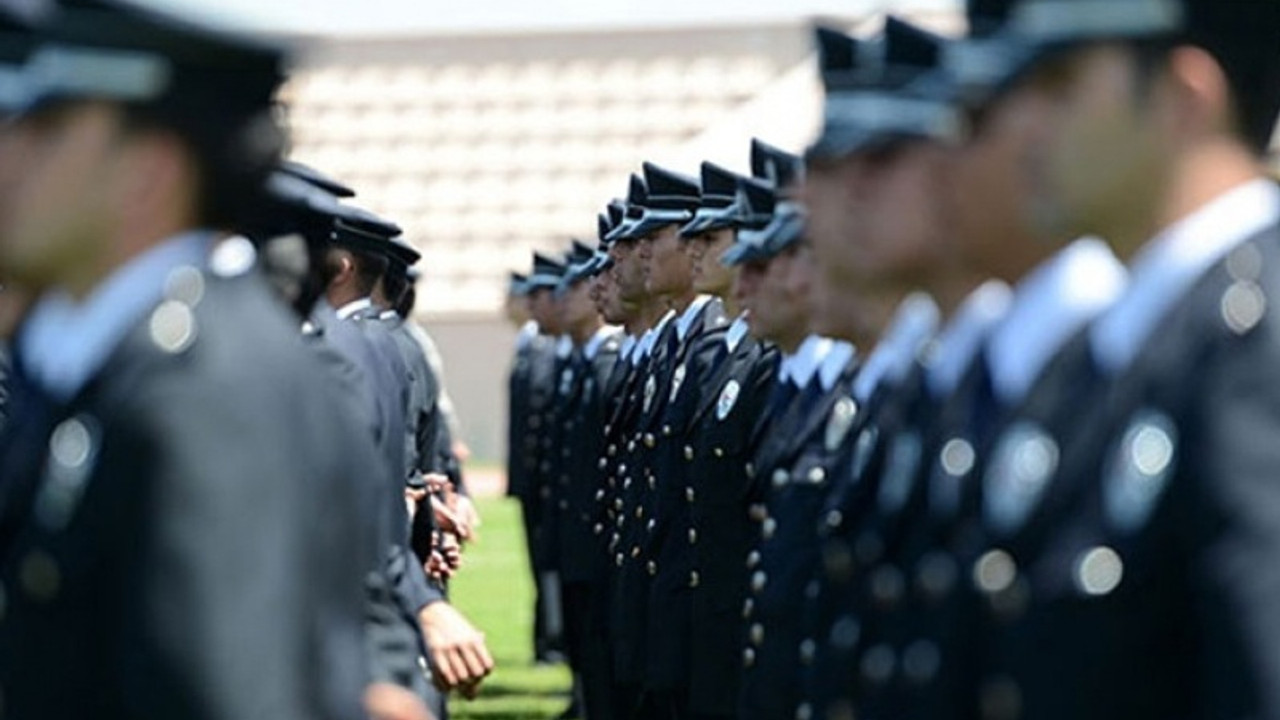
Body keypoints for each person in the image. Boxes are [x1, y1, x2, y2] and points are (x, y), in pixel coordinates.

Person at [0, 1, 371, 717]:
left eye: (42, 131)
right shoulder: (131, 363)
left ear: (146, 173)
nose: (8, 155)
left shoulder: (204, 394)